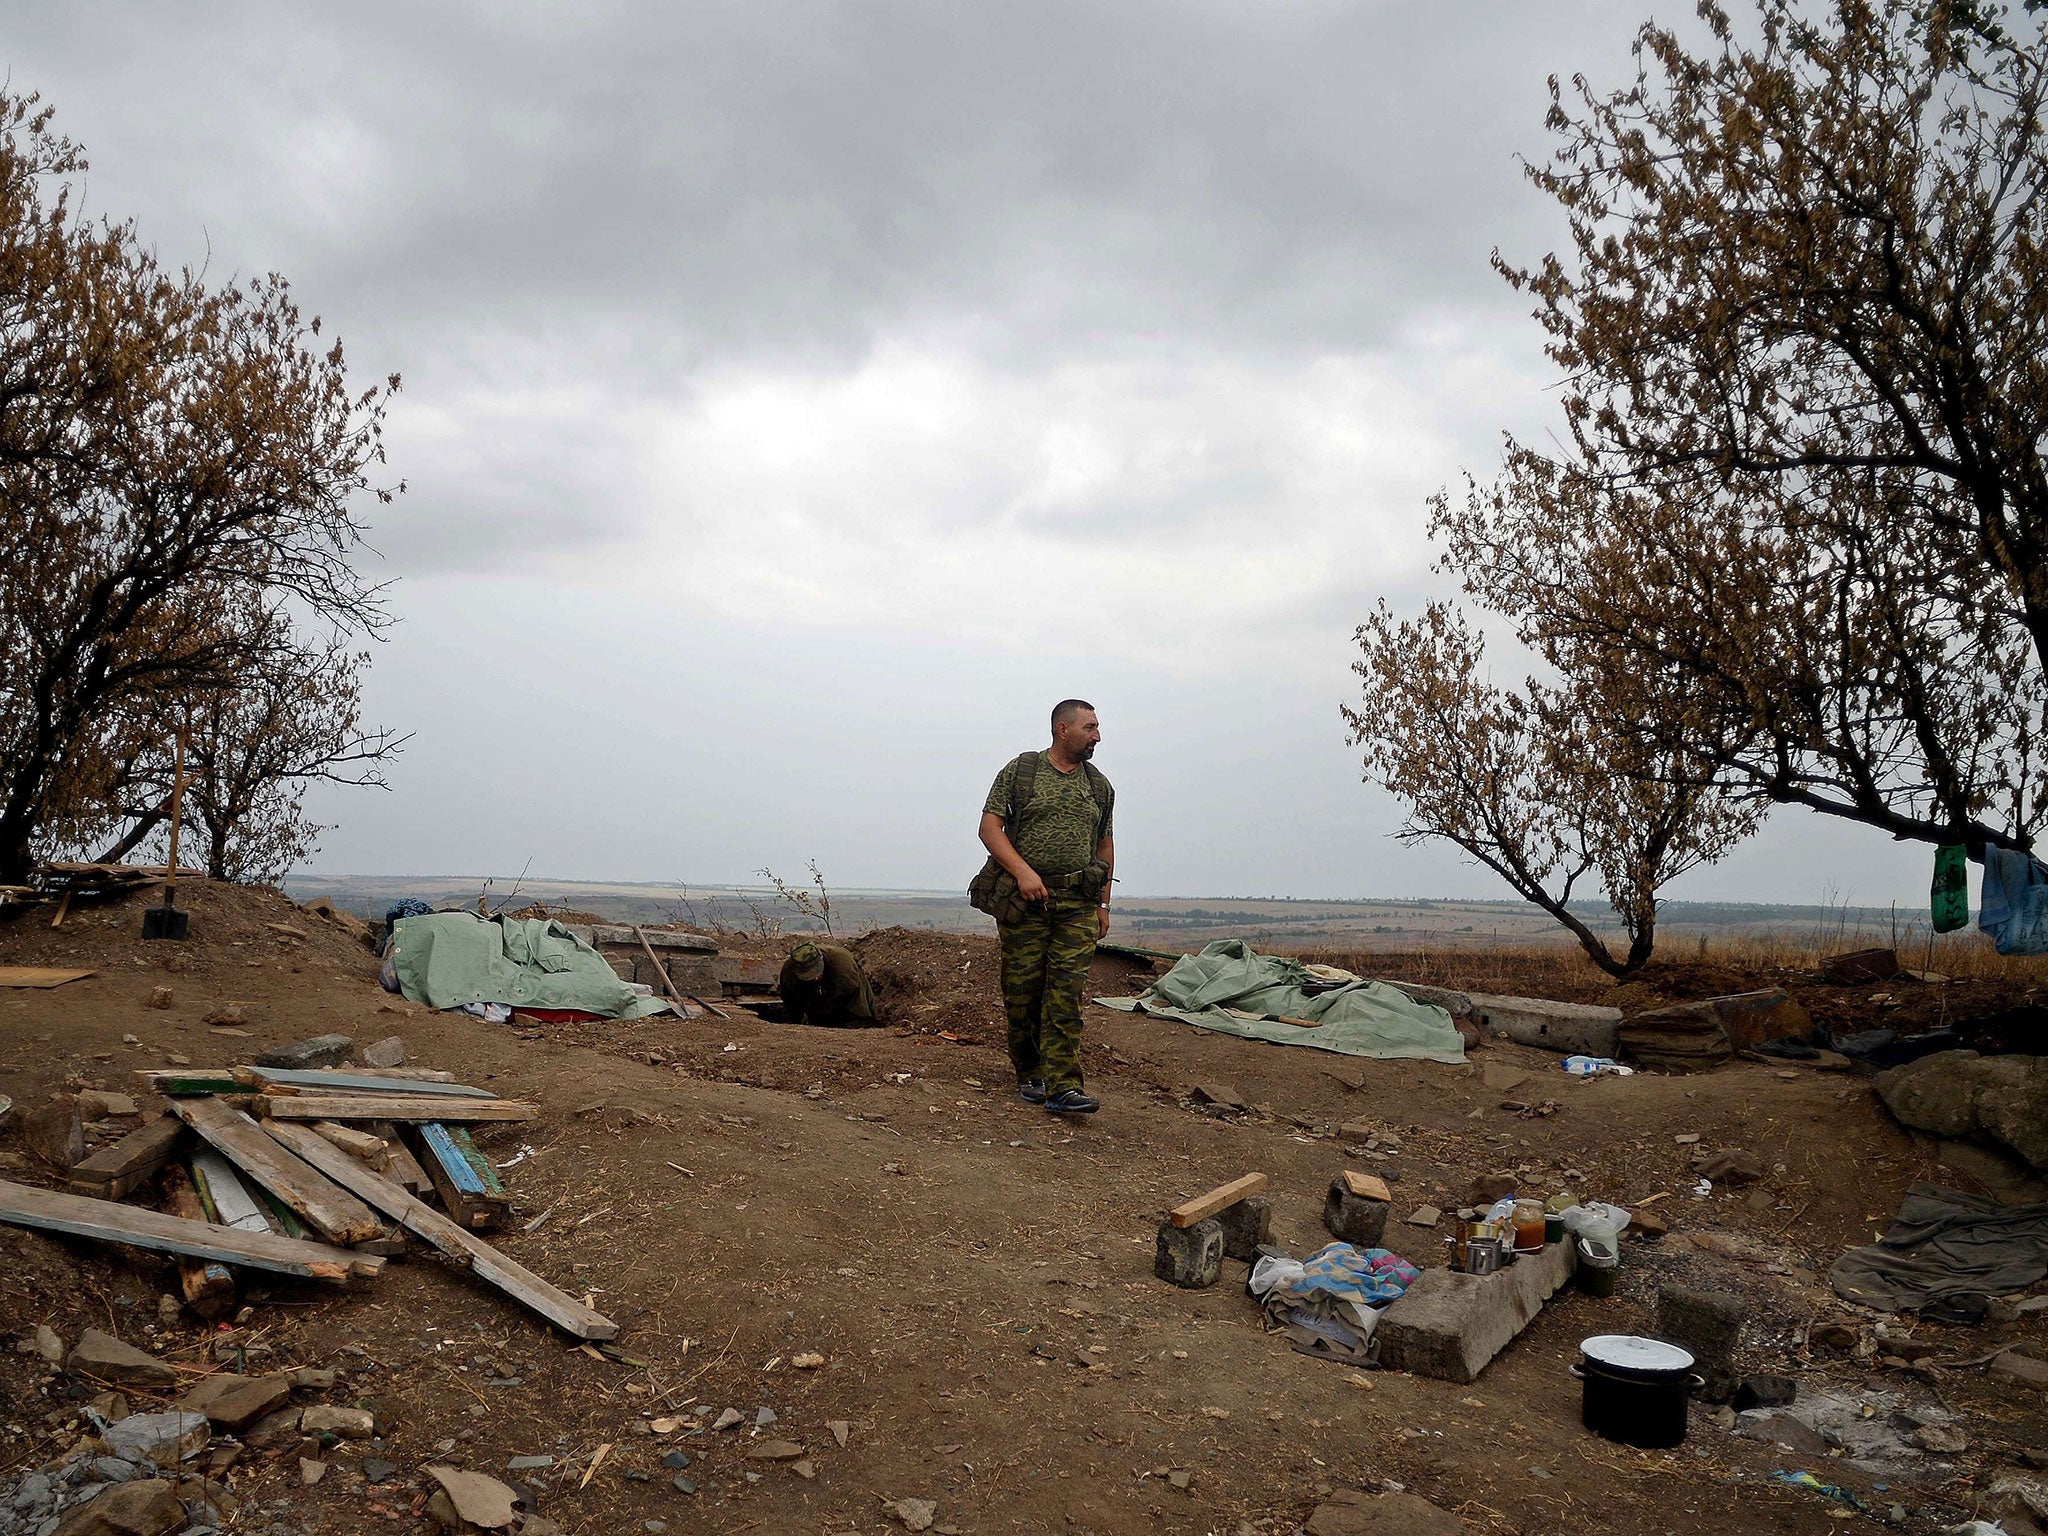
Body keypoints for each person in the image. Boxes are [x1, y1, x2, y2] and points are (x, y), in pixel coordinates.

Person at [976, 699, 1114, 1113]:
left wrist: (1104, 904)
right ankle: (1029, 1071)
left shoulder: (1099, 785)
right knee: (1023, 993)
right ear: (1062, 730)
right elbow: (989, 827)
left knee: (1066, 994)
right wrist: (1023, 873)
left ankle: (1063, 1085)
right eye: (1090, 727)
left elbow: (1104, 844)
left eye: (1097, 727)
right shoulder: (1022, 772)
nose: (1097, 736)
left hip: (1077, 904)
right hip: (1026, 902)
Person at [777, 939, 879, 1028]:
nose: (815, 978)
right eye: (808, 975)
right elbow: (789, 1005)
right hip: (815, 1002)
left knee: (860, 1021)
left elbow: (855, 1000)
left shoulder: (844, 967)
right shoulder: (788, 973)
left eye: (816, 972)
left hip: (848, 997)